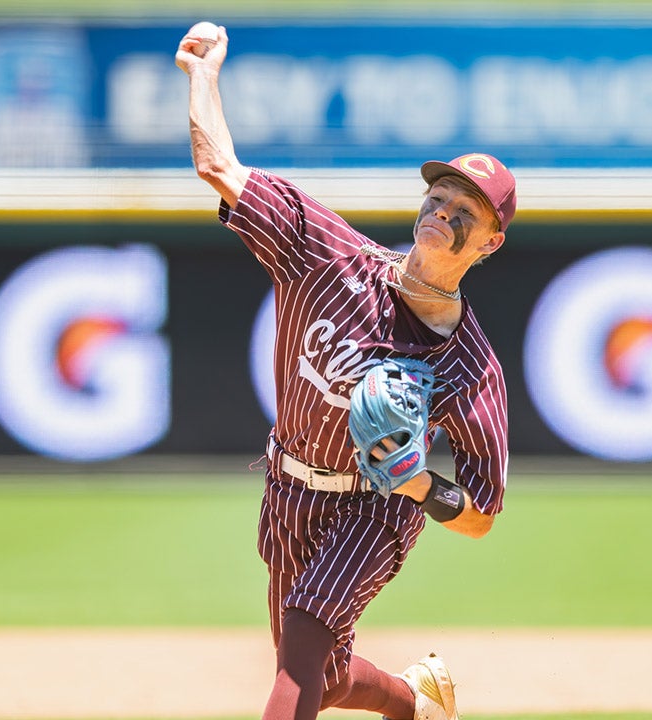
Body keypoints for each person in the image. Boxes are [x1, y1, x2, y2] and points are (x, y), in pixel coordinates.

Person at [174, 24, 513, 720]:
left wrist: (417, 481)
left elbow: (480, 516)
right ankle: (415, 702)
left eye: (464, 213)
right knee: (319, 674)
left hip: (374, 506)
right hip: (287, 486)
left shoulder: (470, 366)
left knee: (301, 652)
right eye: (438, 198)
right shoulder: (328, 255)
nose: (441, 213)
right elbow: (219, 168)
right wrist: (202, 76)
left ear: (488, 244)